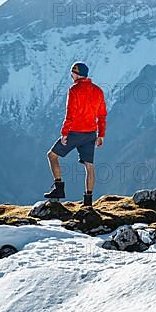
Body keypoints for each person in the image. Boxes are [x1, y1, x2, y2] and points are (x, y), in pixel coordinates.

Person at [45, 62, 107, 207]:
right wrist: (101, 134)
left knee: (52, 155)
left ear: (76, 74)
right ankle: (88, 202)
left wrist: (64, 133)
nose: (71, 75)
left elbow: (70, 114)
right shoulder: (98, 91)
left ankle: (59, 189)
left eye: (72, 73)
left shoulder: (74, 90)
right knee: (89, 166)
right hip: (91, 133)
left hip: (75, 132)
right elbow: (102, 115)